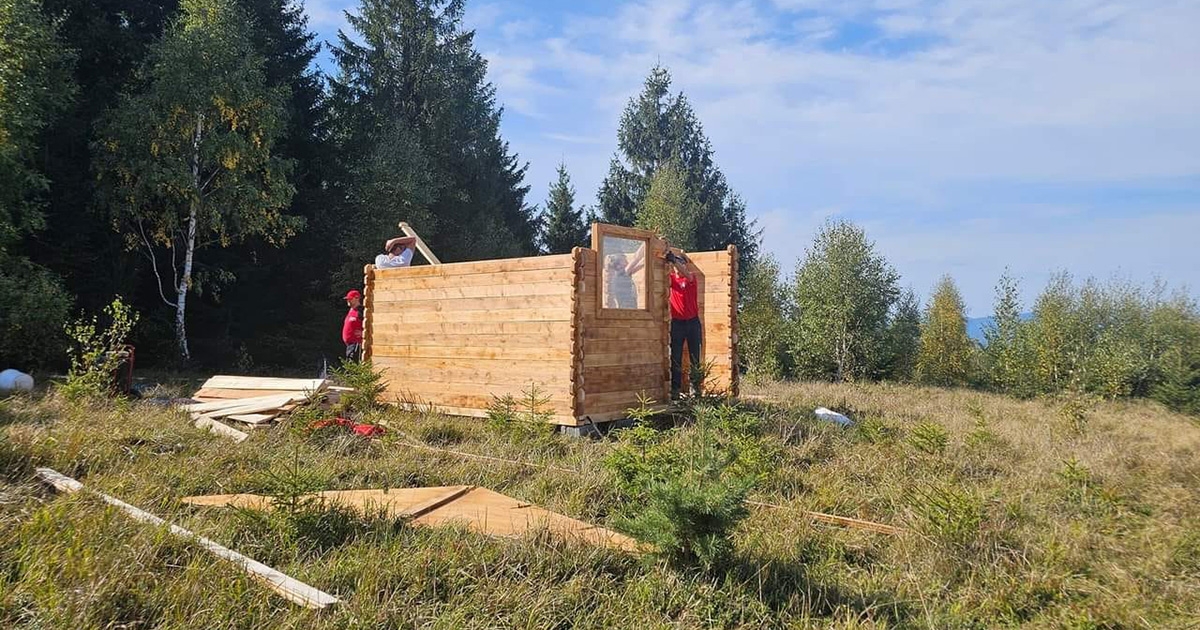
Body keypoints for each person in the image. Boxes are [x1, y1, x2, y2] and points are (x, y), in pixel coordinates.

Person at [667, 250, 702, 400]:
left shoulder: (691, 278)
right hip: (678, 323)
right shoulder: (670, 280)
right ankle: (675, 389)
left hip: (693, 323)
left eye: (680, 262)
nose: (676, 266)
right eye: (675, 263)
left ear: (684, 264)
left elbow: (685, 272)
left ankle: (695, 389)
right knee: (676, 357)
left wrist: (674, 259)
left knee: (695, 357)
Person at [342, 289, 364, 361]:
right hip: (349, 345)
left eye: (350, 299)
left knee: (354, 365)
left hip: (356, 344)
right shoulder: (351, 310)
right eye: (347, 299)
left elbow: (369, 324)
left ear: (357, 298)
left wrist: (363, 333)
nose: (348, 301)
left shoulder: (361, 311)